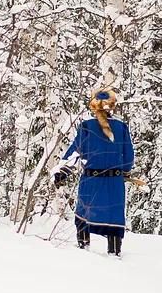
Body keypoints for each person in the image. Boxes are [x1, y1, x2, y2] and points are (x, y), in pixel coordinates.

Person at [53, 89, 135, 257]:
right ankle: (114, 253)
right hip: (114, 183)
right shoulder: (121, 127)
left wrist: (62, 172)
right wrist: (124, 171)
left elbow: (75, 152)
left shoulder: (86, 127)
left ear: (94, 106)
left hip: (91, 181)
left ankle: (83, 250)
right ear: (112, 106)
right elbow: (128, 158)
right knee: (114, 218)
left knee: (84, 215)